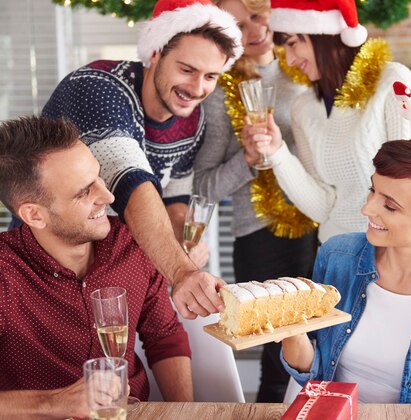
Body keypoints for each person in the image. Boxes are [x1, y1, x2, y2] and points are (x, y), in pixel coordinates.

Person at [38, 0, 244, 319]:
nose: (197, 88)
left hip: (122, 267)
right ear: (156, 53)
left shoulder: (192, 116)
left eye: (211, 76)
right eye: (187, 70)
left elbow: (175, 193)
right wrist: (182, 272)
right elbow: (130, 184)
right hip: (50, 263)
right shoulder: (98, 88)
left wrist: (182, 244)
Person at [280, 119, 411, 404]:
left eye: (390, 206)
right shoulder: (336, 255)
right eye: (373, 191)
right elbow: (312, 374)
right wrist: (291, 331)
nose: (366, 208)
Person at [0, 116, 193, 418]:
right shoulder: (5, 273)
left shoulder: (132, 243)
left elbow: (164, 336)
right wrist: (53, 403)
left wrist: (187, 413)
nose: (108, 196)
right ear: (34, 215)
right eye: (84, 192)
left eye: (99, 178)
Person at [194, 0, 318, 403]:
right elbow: (205, 187)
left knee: (329, 346)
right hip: (260, 236)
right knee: (276, 358)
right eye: (238, 25)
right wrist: (247, 159)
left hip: (324, 224)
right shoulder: (219, 91)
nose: (253, 30)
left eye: (257, 14)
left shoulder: (307, 64)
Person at [242, 0, 411, 243]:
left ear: (323, 34)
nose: (291, 60)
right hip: (334, 253)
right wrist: (277, 152)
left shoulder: (392, 81)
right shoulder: (304, 108)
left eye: (293, 44)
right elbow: (321, 207)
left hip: (389, 253)